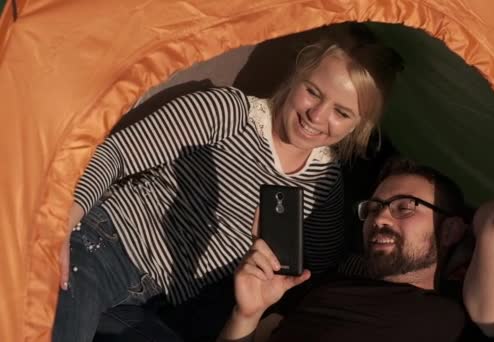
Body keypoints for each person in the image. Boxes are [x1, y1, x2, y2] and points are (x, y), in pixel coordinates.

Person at [52, 24, 403, 342]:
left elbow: (324, 259)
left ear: (359, 126)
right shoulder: (230, 112)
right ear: (296, 78)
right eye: (313, 92)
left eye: (341, 113)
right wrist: (63, 222)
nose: (317, 116)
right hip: (108, 245)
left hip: (161, 299)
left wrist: (392, 269)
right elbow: (118, 154)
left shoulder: (324, 182)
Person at [218, 158, 494, 341]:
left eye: (405, 207)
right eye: (373, 208)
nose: (380, 218)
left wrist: (456, 249)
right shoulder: (317, 286)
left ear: (451, 228)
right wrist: (246, 313)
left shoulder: (461, 313)